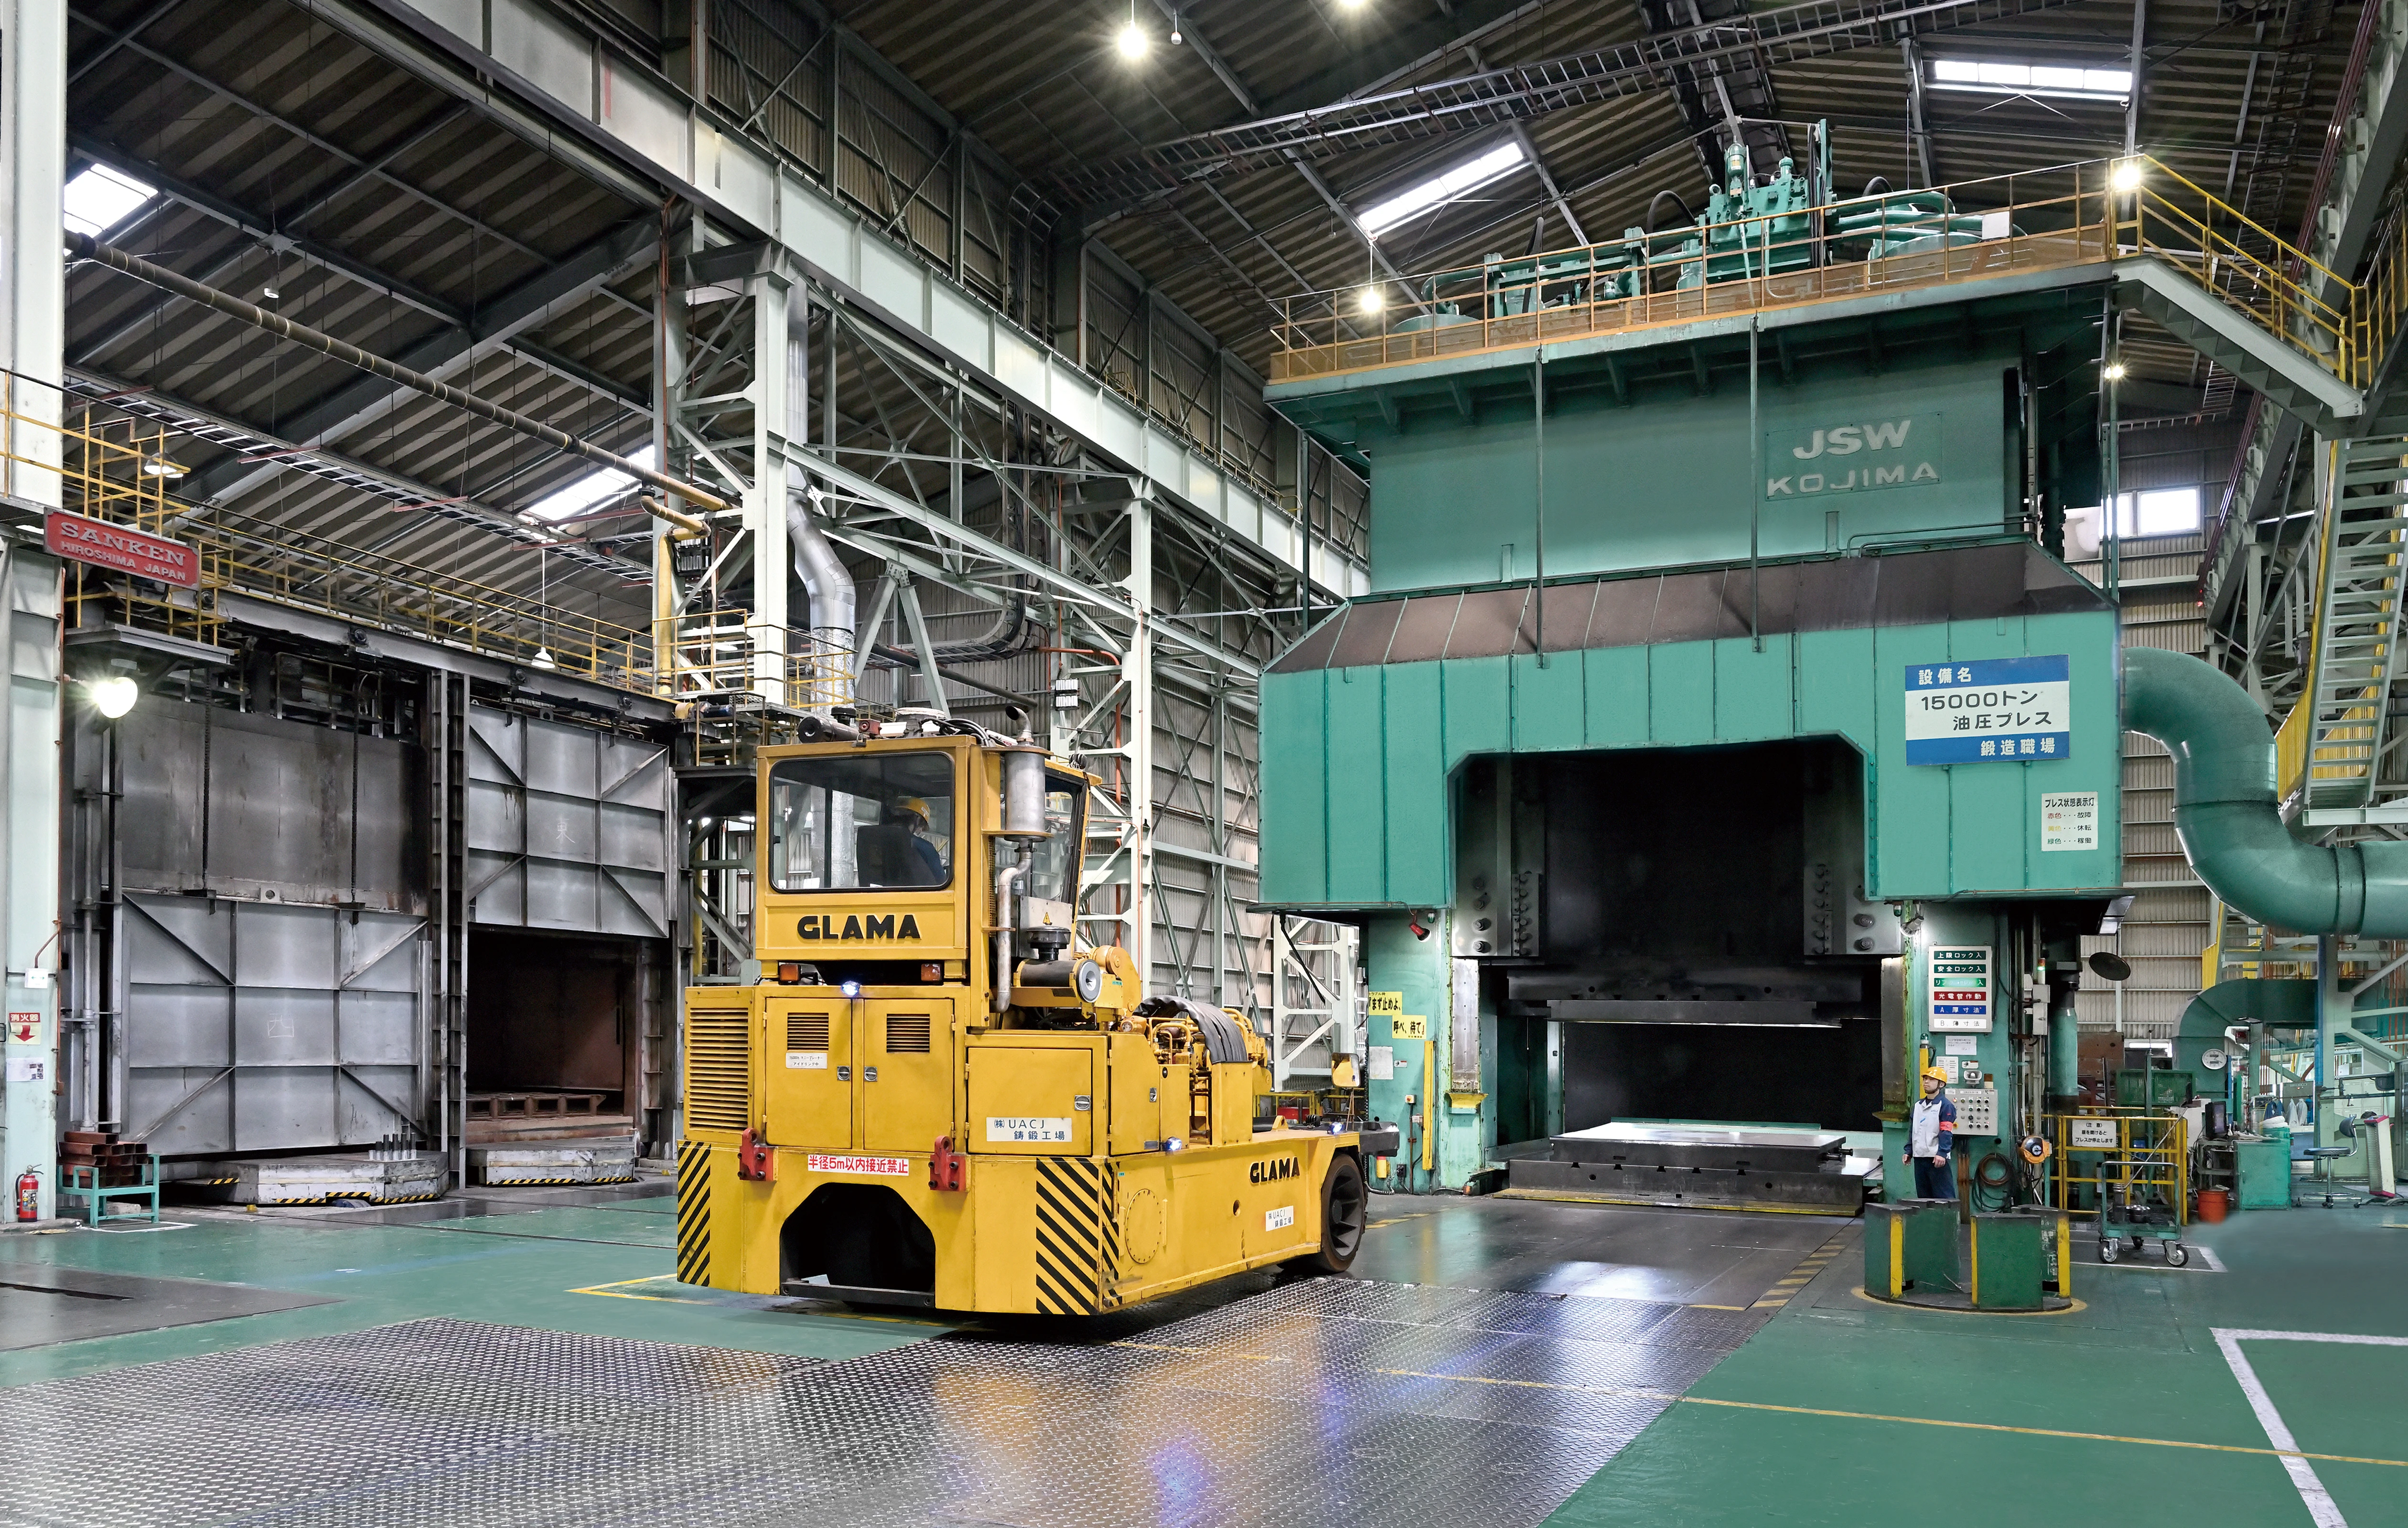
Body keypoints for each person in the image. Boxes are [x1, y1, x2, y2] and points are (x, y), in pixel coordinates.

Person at [1909, 1064, 1957, 1201]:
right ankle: (1927, 1223)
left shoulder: (1946, 1106)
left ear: (1941, 1085)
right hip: (1920, 1157)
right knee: (1924, 1198)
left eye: (1931, 1080)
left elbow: (1946, 1132)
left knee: (1944, 1197)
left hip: (1937, 1159)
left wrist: (1942, 1153)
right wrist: (1909, 1151)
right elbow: (1913, 1131)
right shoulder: (1918, 1106)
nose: (1926, 1082)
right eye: (1925, 1079)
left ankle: (1948, 1222)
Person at [887, 796, 946, 884]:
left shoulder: (876, 839)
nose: (921, 830)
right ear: (917, 819)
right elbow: (941, 881)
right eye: (922, 825)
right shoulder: (924, 847)